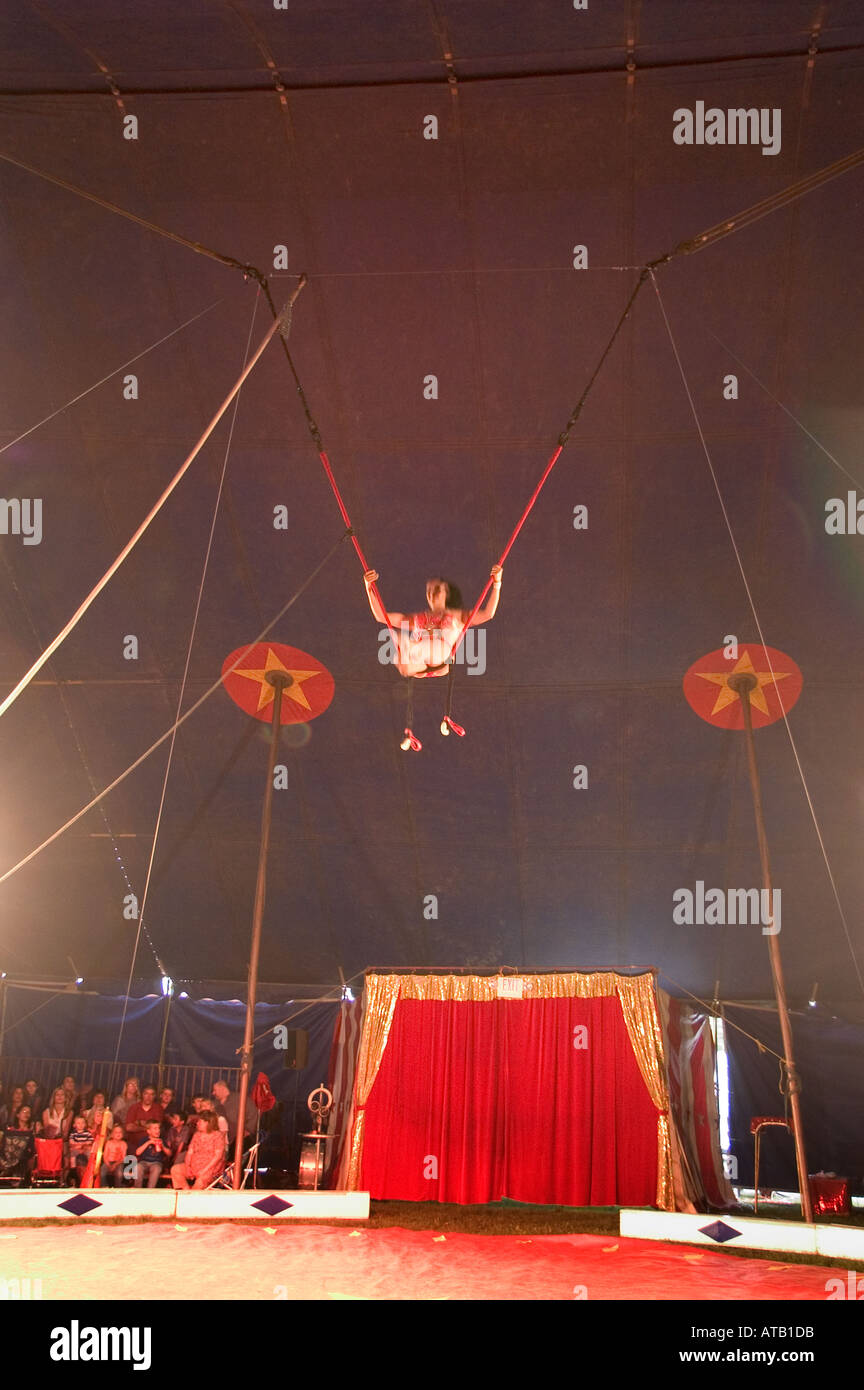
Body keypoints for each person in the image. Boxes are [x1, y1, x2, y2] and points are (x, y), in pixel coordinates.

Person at [363, 568, 503, 678]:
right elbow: (381, 617)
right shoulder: (416, 618)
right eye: (428, 591)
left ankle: (408, 650)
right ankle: (408, 659)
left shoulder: (458, 616)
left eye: (437, 589)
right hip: (420, 662)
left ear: (446, 592)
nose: (431, 594)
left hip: (440, 658)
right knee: (403, 654)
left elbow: (487, 614)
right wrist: (369, 587)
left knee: (413, 644)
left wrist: (497, 583)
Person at [170, 1113, 226, 1190]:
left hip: (210, 1169)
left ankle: (193, 1198)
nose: (197, 1123)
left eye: (200, 1121)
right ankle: (185, 1193)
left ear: (207, 1123)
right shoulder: (197, 1135)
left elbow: (218, 1157)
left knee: (201, 1180)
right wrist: (188, 1167)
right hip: (194, 1167)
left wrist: (204, 1170)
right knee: (175, 1170)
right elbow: (190, 1152)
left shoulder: (218, 1136)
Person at [211, 1080, 256, 1149]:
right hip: (220, 1138)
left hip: (238, 1137)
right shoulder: (215, 1103)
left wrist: (248, 1129)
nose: (213, 1093)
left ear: (222, 1088)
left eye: (215, 1090)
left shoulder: (240, 1098)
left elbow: (253, 1113)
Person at [124, 1086, 164, 1152]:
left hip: (151, 1146)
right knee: (130, 1160)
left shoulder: (158, 1108)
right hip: (133, 1144)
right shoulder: (134, 1107)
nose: (148, 1097)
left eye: (151, 1094)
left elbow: (157, 1127)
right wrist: (148, 1128)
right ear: (142, 1095)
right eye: (146, 1094)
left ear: (154, 1096)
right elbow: (129, 1128)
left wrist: (138, 1123)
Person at [133, 1122, 165, 1188]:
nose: (158, 1130)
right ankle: (137, 1189)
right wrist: (149, 1142)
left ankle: (150, 1190)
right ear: (149, 1131)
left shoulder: (162, 1140)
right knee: (138, 1167)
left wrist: (163, 1146)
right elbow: (137, 1152)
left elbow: (169, 1153)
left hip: (156, 1163)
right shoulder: (144, 1140)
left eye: (159, 1128)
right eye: (155, 1128)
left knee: (156, 1169)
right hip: (144, 1162)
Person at [67, 1115, 94, 1185]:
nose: (81, 1125)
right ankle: (73, 1169)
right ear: (74, 1125)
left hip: (85, 1148)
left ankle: (89, 1167)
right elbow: (71, 1142)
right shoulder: (73, 1133)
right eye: (78, 1123)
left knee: (89, 1152)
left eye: (82, 1123)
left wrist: (82, 1144)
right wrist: (78, 1145)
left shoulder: (87, 1133)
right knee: (73, 1153)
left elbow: (90, 1141)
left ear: (85, 1124)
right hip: (76, 1148)